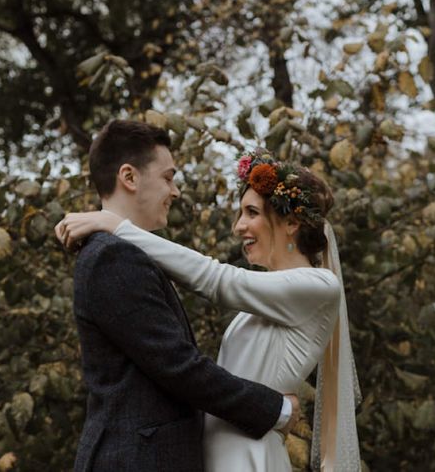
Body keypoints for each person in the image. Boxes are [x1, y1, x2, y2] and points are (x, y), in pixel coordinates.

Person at [58, 145, 362, 472]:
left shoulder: (319, 287)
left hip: (249, 456)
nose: (238, 226)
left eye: (252, 212)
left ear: (291, 223)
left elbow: (217, 279)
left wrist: (116, 226)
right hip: (217, 454)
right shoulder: (267, 299)